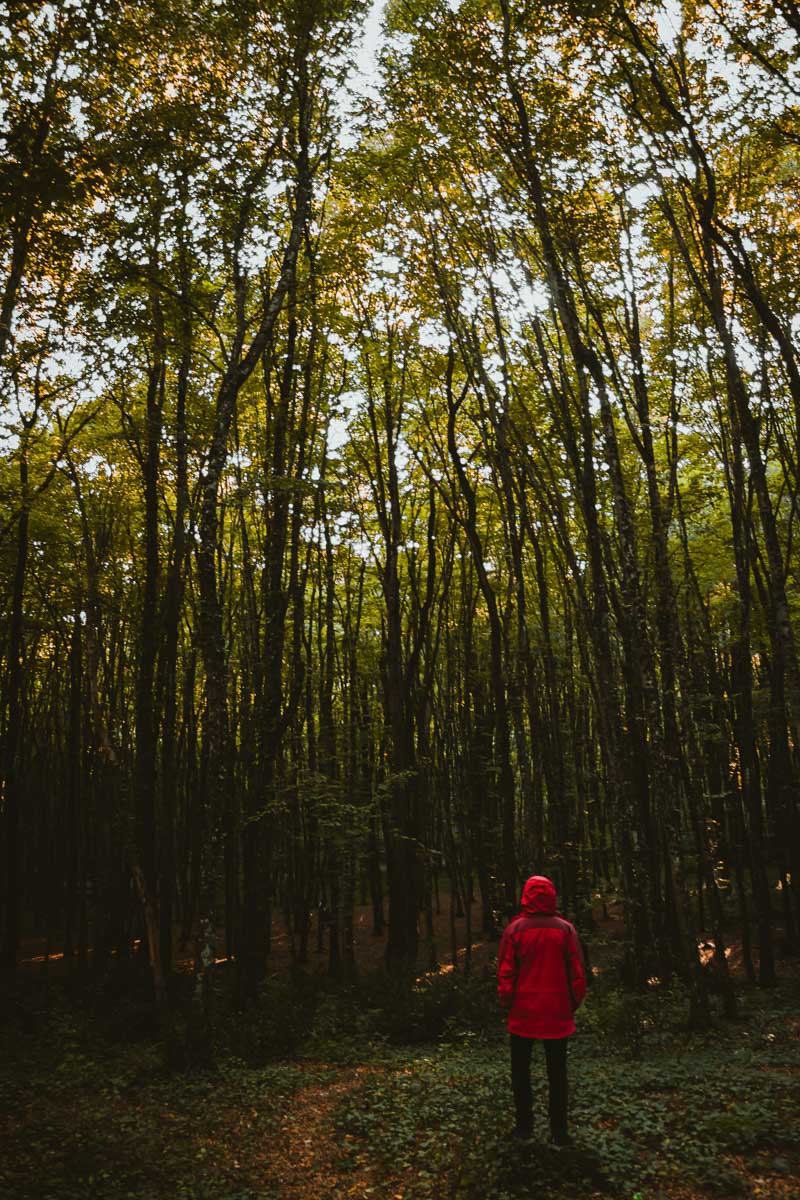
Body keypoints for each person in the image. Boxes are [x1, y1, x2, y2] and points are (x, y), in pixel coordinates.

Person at [497, 875, 587, 1146]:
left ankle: (524, 1128)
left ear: (525, 895)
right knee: (557, 1075)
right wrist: (571, 1004)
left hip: (523, 1015)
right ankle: (559, 1133)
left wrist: (507, 1003)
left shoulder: (515, 930)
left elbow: (506, 972)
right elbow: (577, 974)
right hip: (557, 1015)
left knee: (520, 1073)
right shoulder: (565, 930)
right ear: (551, 894)